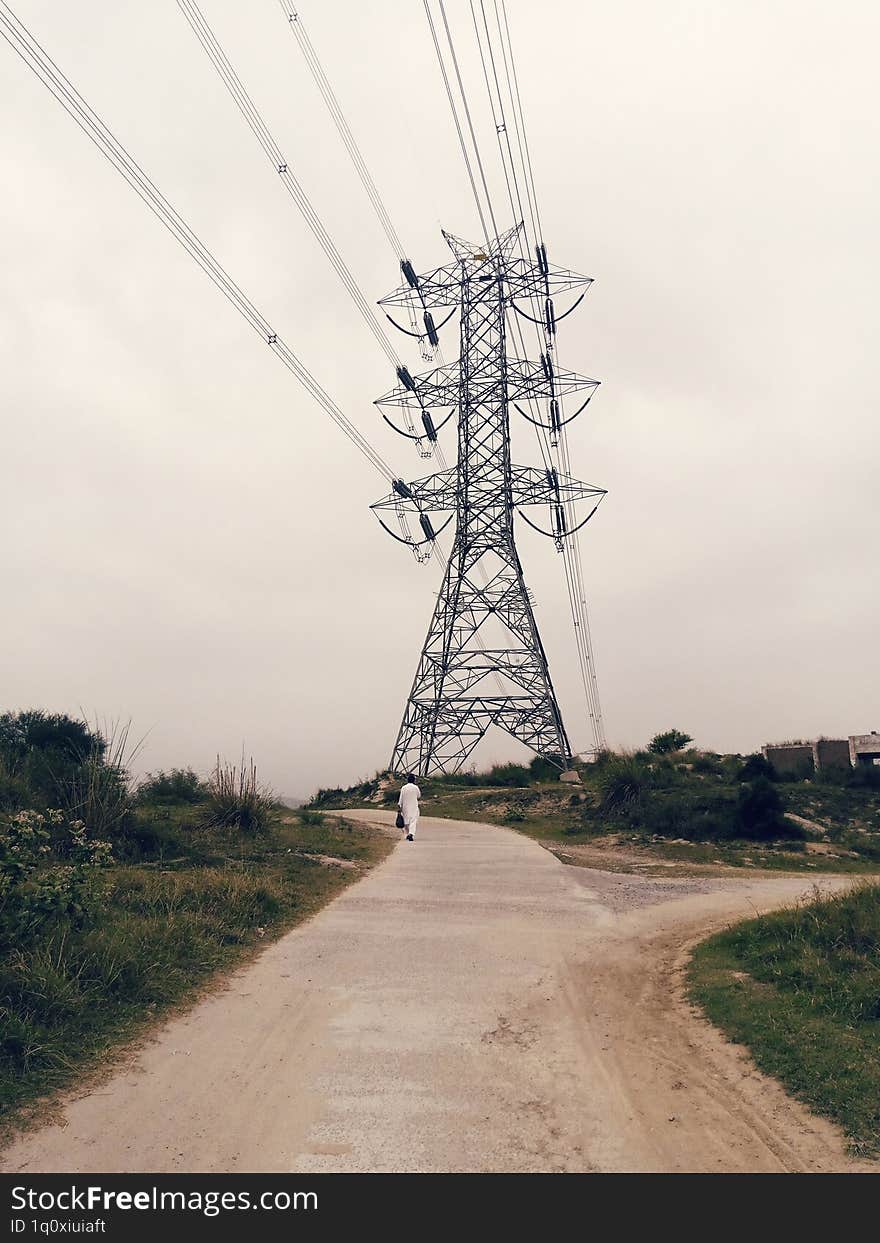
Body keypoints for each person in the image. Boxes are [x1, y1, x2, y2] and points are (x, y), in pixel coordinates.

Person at [398, 773, 421, 842]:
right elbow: (418, 796)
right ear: (414, 780)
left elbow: (401, 799)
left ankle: (407, 834)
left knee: (406, 822)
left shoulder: (403, 788)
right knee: (413, 821)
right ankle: (411, 834)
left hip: (405, 807)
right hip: (414, 807)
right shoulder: (416, 787)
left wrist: (399, 806)